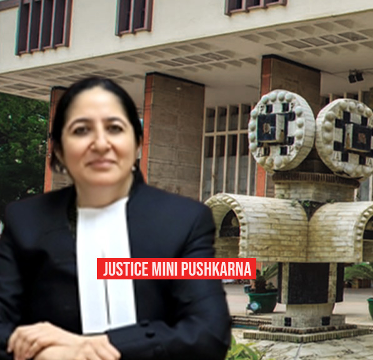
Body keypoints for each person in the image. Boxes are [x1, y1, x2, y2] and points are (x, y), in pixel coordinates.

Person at [0, 77, 231, 360]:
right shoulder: (25, 221)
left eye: (115, 128)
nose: (100, 143)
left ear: (137, 143)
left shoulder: (185, 221)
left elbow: (209, 334)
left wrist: (92, 346)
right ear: (59, 149)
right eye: (81, 130)